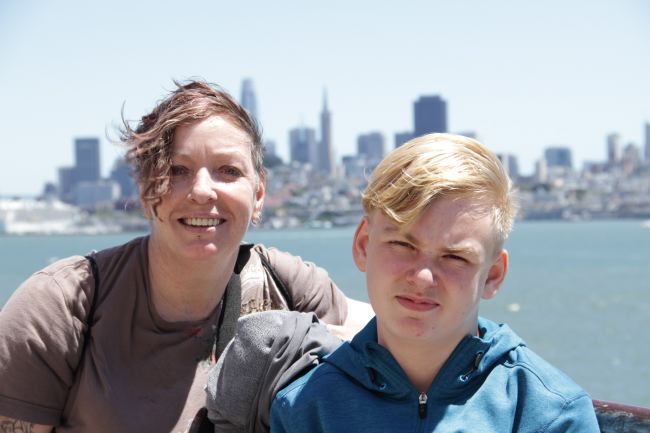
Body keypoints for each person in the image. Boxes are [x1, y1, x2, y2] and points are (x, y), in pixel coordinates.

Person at [0, 80, 370, 433]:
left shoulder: (289, 288)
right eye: (178, 170)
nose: (202, 190)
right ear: (145, 189)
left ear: (258, 195)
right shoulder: (61, 305)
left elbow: (392, 335)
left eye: (228, 171)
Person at [268, 133, 601, 432]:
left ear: (493, 275)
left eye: (455, 257)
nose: (422, 277)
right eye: (403, 245)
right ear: (364, 246)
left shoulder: (550, 415)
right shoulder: (306, 409)